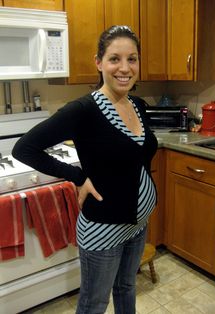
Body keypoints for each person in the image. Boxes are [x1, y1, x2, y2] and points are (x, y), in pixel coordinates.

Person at [12, 25, 158, 314]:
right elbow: (24, 148)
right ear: (99, 62)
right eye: (115, 58)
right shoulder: (82, 111)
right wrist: (79, 177)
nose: (125, 68)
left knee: (127, 288)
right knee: (94, 303)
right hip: (103, 229)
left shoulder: (138, 105)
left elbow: (136, 158)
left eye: (132, 59)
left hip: (138, 224)